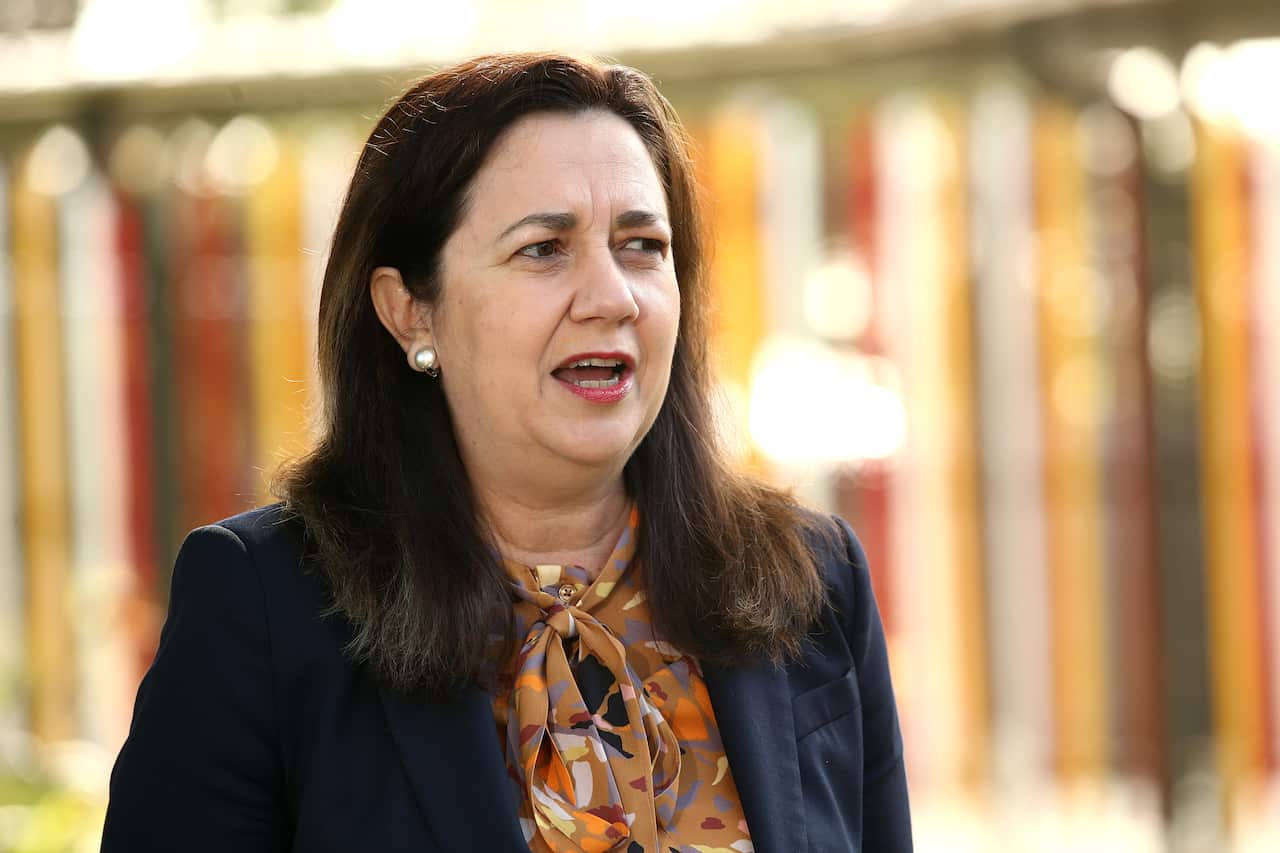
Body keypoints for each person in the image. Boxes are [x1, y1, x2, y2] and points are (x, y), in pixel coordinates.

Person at [101, 52, 911, 852]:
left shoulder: (813, 582)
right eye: (543, 249)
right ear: (411, 312)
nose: (612, 297)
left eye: (642, 245)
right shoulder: (263, 608)